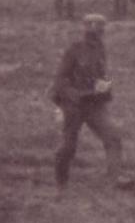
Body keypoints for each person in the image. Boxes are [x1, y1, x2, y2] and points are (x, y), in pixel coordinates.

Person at [50, 14, 123, 189]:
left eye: (101, 30)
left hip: (94, 104)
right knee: (69, 146)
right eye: (95, 29)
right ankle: (61, 181)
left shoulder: (101, 50)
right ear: (87, 29)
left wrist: (106, 85)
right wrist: (73, 96)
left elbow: (102, 75)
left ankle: (114, 181)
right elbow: (60, 80)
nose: (98, 33)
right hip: (73, 105)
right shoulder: (74, 50)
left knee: (113, 137)